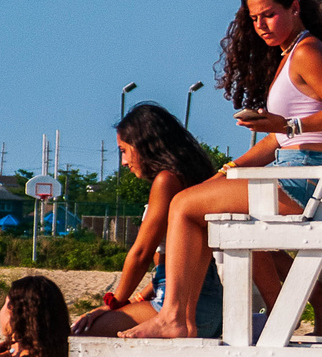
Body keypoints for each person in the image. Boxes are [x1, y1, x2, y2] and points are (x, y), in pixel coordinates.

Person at [123, 0, 322, 339]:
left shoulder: (307, 50)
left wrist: (287, 126)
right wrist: (229, 168)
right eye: (255, 18)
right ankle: (309, 299)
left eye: (270, 14)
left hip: (302, 178)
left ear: (295, 8)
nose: (262, 24)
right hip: (295, 169)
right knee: (205, 210)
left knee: (182, 205)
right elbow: (278, 140)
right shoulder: (291, 53)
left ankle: (176, 317)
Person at [72, 102, 222, 338]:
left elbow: (142, 252)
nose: (123, 162)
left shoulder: (167, 181)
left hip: (177, 309)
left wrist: (113, 302)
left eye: (123, 150)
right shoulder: (192, 178)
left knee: (83, 334)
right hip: (204, 305)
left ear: (144, 145)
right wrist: (138, 297)